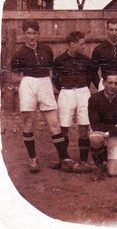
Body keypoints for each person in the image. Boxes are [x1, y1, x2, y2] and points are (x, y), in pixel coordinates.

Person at [11, 20, 74, 173]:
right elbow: (14, 77)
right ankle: (33, 159)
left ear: (38, 33)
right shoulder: (19, 54)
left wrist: (47, 84)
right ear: (24, 34)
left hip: (45, 83)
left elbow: (51, 70)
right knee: (28, 122)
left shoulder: (46, 49)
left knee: (54, 123)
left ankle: (64, 158)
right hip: (28, 84)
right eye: (28, 33)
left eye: (34, 33)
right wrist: (29, 81)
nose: (31, 37)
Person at [52, 31, 97, 172]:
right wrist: (66, 89)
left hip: (83, 92)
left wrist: (81, 88)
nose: (84, 46)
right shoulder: (59, 60)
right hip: (66, 92)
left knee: (84, 126)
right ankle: (64, 158)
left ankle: (83, 160)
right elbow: (56, 80)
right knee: (64, 127)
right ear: (72, 44)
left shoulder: (86, 60)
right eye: (81, 44)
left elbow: (90, 77)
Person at [88, 72, 117, 180]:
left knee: (113, 173)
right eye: (110, 82)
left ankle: (112, 160)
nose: (113, 86)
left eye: (116, 83)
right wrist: (114, 129)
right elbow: (95, 124)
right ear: (103, 82)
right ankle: (99, 164)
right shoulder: (94, 98)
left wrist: (110, 133)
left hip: (114, 135)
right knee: (95, 138)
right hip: (101, 133)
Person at [91, 19, 117, 97]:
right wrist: (100, 84)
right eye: (111, 30)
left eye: (116, 30)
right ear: (107, 30)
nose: (114, 33)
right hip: (105, 82)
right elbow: (92, 71)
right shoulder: (99, 49)